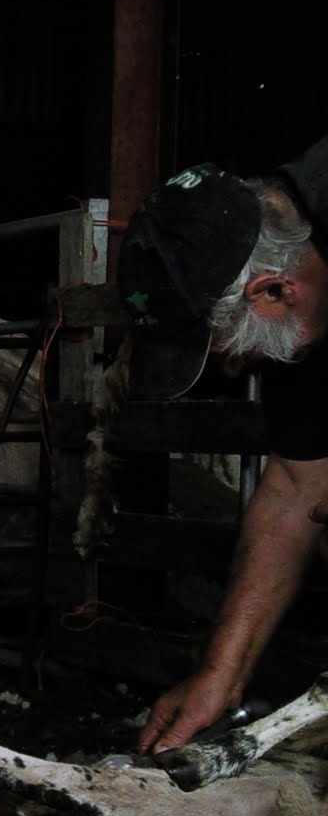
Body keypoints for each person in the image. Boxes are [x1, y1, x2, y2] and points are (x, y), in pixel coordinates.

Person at [122, 134, 328, 754]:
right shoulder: (301, 313)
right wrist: (221, 676)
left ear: (274, 290)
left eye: (231, 348)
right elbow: (297, 487)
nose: (235, 370)